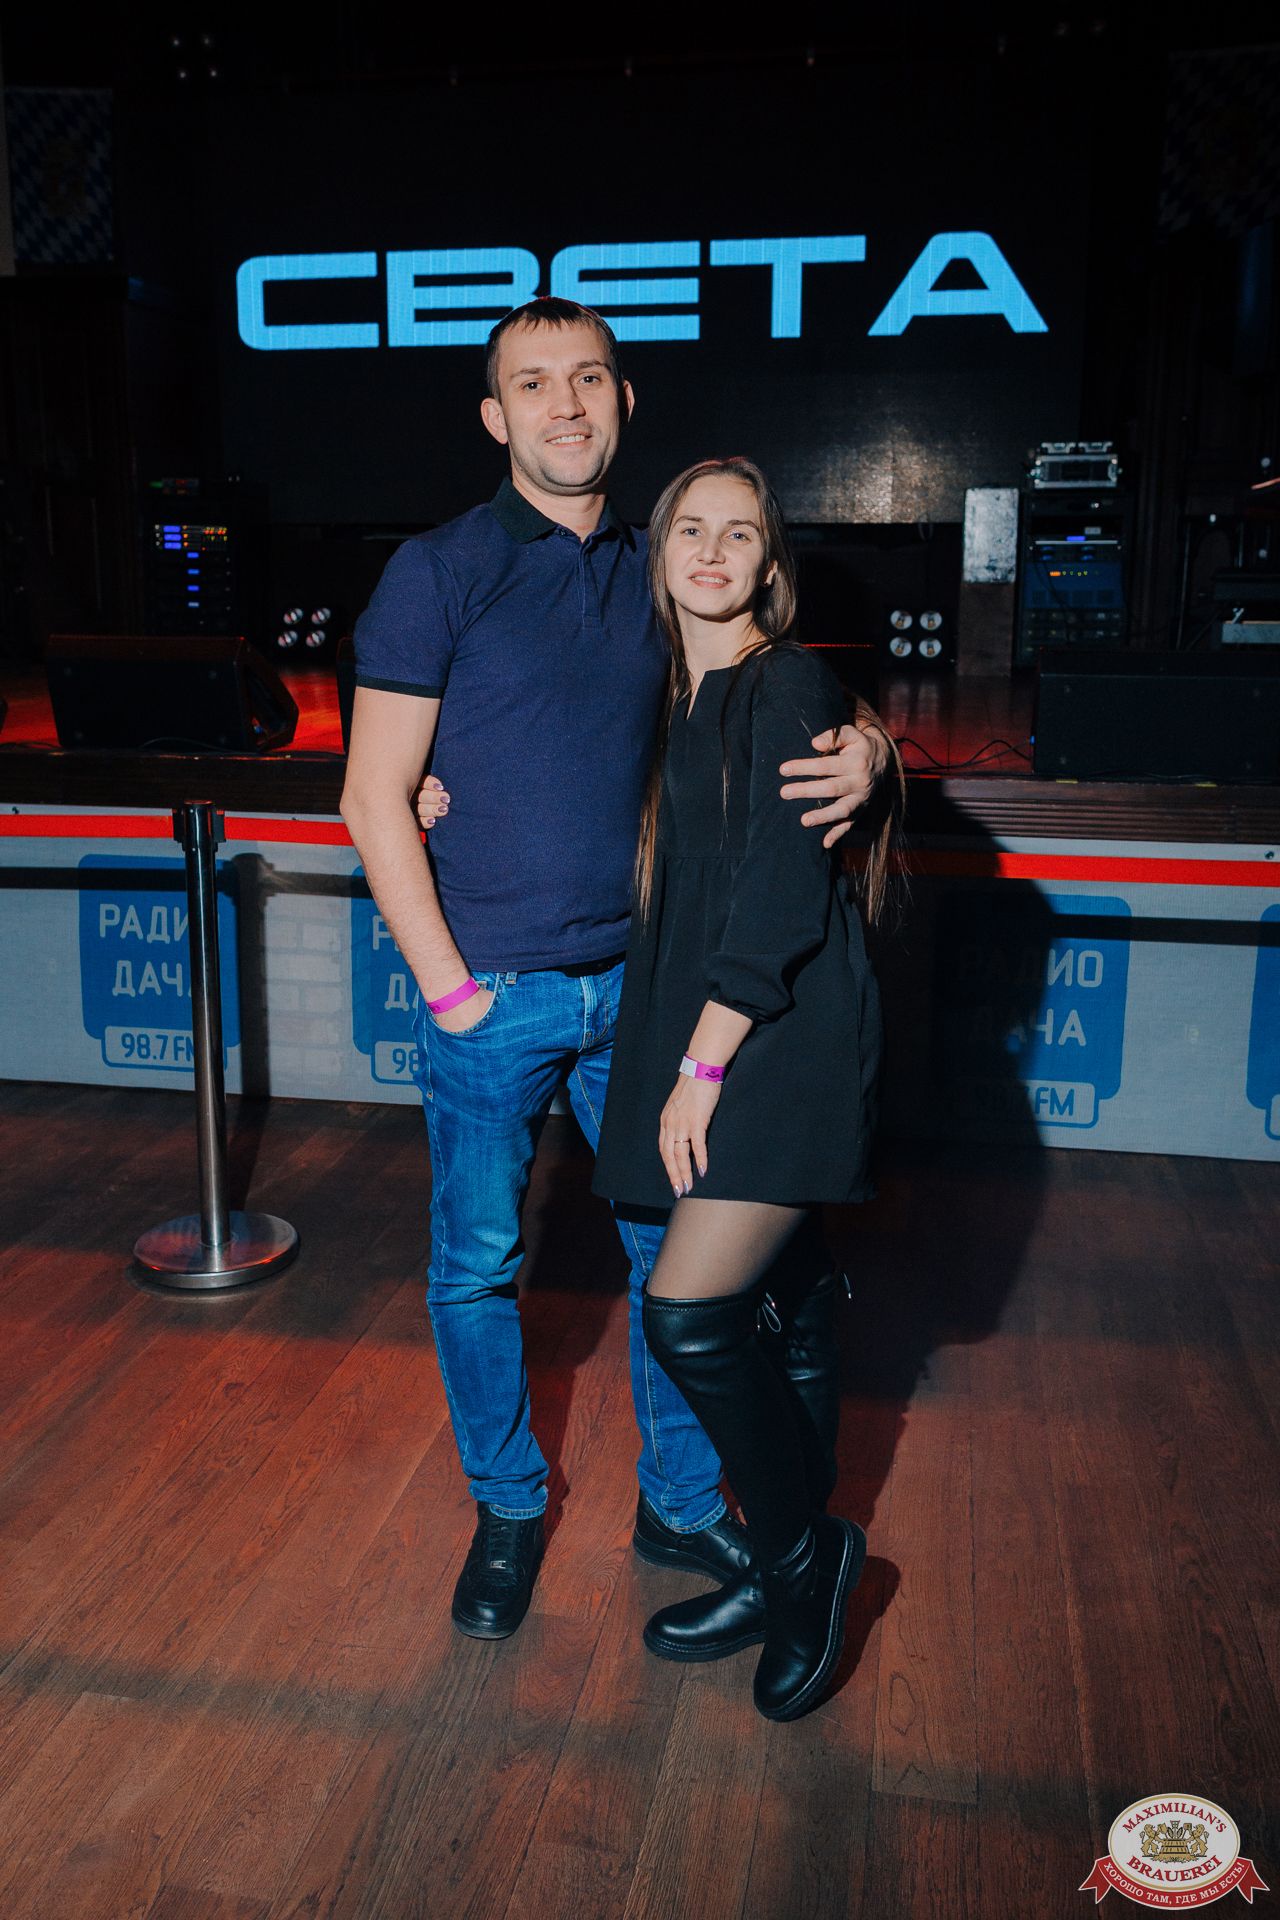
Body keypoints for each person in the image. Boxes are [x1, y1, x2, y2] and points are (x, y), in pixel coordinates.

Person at [340, 296, 890, 1643]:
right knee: (478, 1269)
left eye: (588, 377)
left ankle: (679, 1504)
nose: (565, 404)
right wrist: (451, 989)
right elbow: (371, 794)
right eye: (533, 383)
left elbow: (767, 683)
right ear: (496, 416)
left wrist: (870, 748)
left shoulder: (664, 565)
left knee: (675, 1269)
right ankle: (507, 1507)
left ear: (624, 402)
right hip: (494, 994)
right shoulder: (438, 568)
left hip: (649, 993)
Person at [591, 455, 899, 1720]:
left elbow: (776, 894)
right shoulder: (678, 695)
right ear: (659, 554)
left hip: (773, 1037)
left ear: (769, 563)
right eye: (689, 531)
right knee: (786, 1309)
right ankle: (787, 1573)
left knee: (687, 1314)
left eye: (738, 534)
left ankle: (803, 1560)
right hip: (716, 1023)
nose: (711, 552)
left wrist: (701, 1068)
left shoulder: (784, 683)